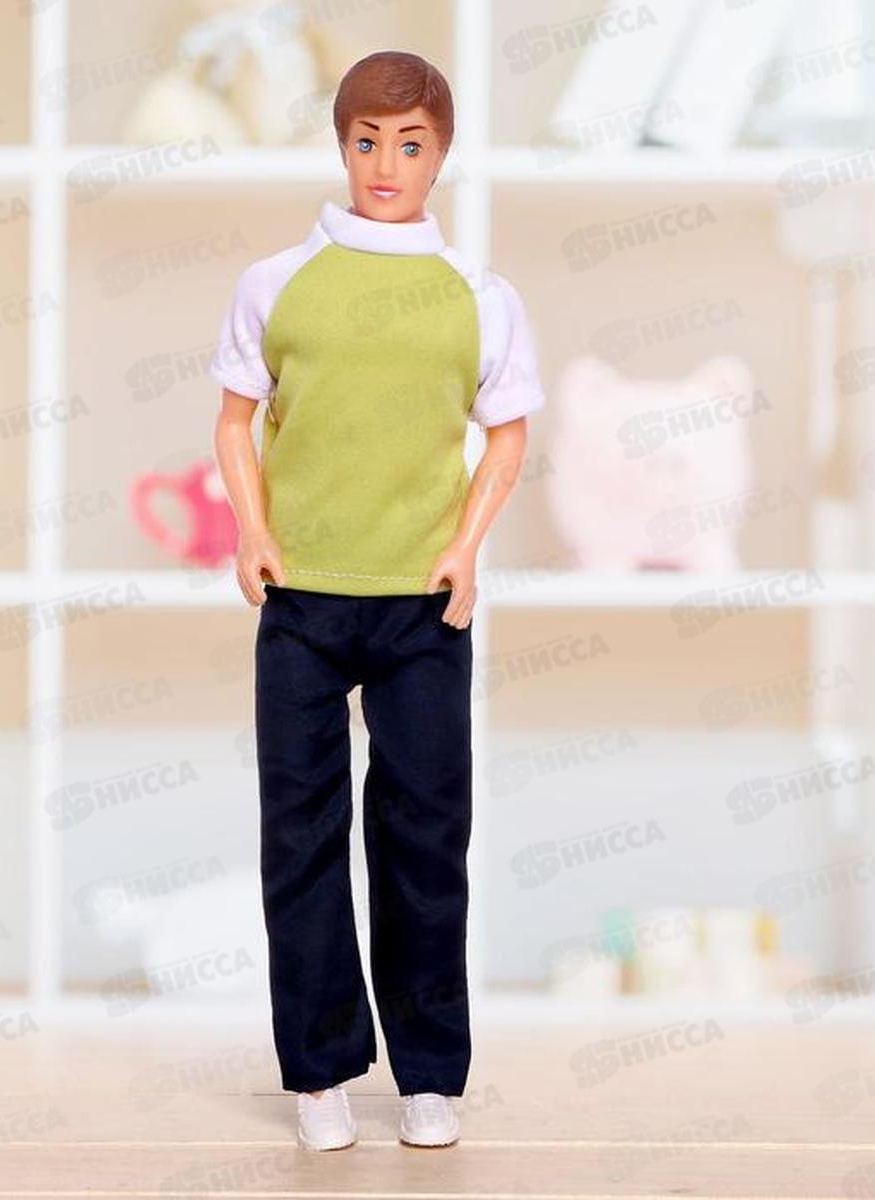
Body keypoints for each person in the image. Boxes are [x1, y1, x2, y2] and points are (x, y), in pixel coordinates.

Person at [208, 49, 546, 1151]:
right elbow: (234, 422)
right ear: (341, 145)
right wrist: (253, 531)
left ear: (440, 154)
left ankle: (428, 1074)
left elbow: (507, 439)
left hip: (422, 606)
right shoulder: (276, 284)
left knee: (425, 838)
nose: (385, 164)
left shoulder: (478, 298)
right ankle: (318, 1075)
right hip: (302, 599)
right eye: (366, 141)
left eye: (409, 144)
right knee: (300, 835)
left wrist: (466, 549)